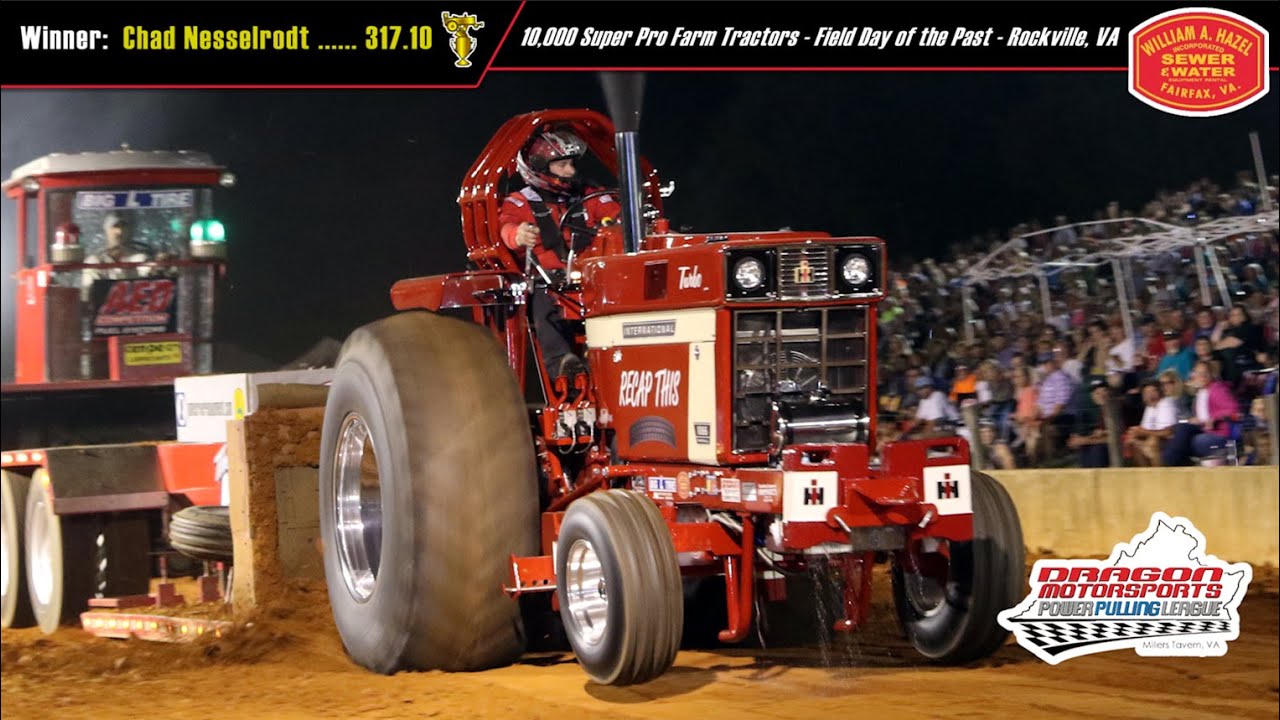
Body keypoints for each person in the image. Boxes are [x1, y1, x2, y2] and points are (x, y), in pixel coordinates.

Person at [498, 126, 619, 378]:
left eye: (571, 164)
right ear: (539, 167)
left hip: (594, 277)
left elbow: (614, 214)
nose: (570, 171)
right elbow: (506, 226)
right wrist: (517, 234)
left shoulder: (590, 195)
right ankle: (562, 364)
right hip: (549, 281)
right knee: (544, 301)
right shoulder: (519, 202)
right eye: (561, 165)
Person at [1161, 360, 1237, 466]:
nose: (1202, 376)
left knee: (1186, 439)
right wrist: (1195, 419)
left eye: (1205, 373)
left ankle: (1168, 465)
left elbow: (1233, 410)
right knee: (1178, 430)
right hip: (1203, 429)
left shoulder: (1217, 390)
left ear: (1211, 374)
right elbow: (1203, 415)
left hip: (1217, 433)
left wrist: (1214, 418)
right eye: (1198, 373)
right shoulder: (1201, 393)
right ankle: (1171, 464)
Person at [1125, 381, 1178, 466]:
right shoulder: (1149, 408)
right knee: (1133, 441)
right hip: (1154, 441)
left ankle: (1158, 476)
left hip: (1173, 441)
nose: (1150, 395)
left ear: (1159, 392)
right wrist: (1135, 433)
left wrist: (1142, 432)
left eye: (1153, 391)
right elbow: (1145, 430)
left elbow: (1168, 432)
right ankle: (1145, 475)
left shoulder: (1166, 404)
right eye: (1146, 392)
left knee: (1154, 441)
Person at [1068, 378, 1113, 468]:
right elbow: (1073, 442)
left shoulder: (1116, 410)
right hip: (1099, 447)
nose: (1101, 395)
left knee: (1096, 449)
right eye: (1097, 393)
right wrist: (1078, 440)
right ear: (1092, 396)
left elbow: (1115, 438)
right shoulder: (1099, 412)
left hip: (1115, 449)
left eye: (1104, 391)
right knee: (1086, 448)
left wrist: (1086, 440)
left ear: (1109, 393)